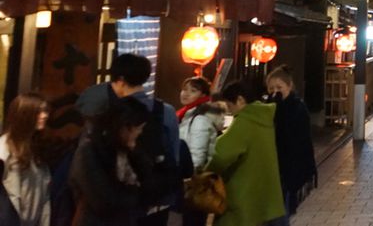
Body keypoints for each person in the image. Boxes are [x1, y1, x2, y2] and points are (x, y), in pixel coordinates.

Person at [76, 53, 180, 226]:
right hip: (155, 204)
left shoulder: (105, 113)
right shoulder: (166, 111)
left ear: (121, 80)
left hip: (112, 208)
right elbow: (173, 157)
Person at [207, 80, 286, 226]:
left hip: (245, 202)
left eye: (230, 106)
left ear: (240, 100)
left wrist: (204, 171)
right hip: (269, 201)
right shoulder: (264, 117)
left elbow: (220, 156)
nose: (230, 112)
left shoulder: (245, 121)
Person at [69, 97, 151, 226]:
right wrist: (137, 193)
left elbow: (149, 182)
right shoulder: (89, 151)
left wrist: (135, 153)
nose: (140, 132)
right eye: (139, 128)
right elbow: (104, 201)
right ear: (125, 127)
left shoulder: (125, 150)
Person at [266, 66, 317, 223]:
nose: (275, 91)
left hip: (291, 170)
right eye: (271, 88)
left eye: (279, 87)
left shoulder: (296, 107)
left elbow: (296, 139)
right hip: (275, 170)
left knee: (281, 213)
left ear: (289, 86)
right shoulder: (268, 107)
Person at [0, 93, 51, 226]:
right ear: (24, 114)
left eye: (45, 111)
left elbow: (44, 197)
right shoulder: (4, 149)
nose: (44, 115)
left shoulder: (36, 149)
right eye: (38, 111)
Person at [178, 77, 221, 226]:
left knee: (192, 221)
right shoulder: (187, 115)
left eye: (193, 91)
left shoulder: (199, 119)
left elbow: (197, 156)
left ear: (203, 95)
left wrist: (184, 177)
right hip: (193, 181)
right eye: (185, 89)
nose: (186, 93)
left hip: (194, 182)